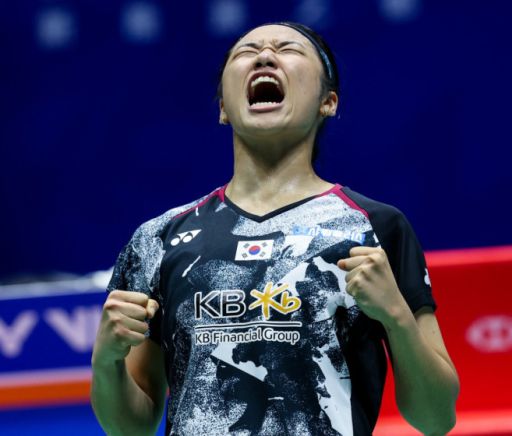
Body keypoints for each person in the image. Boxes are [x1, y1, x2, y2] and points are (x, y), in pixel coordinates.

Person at [91, 22, 459, 436]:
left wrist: (396, 316)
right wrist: (106, 360)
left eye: (288, 50)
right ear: (223, 108)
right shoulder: (157, 239)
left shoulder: (374, 227)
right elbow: (130, 427)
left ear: (328, 102)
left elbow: (435, 419)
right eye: (246, 52)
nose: (265, 56)